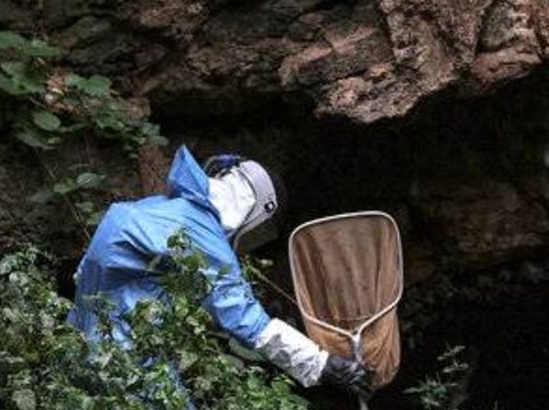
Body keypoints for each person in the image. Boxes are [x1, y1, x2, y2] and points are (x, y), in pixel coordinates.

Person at [70, 147, 371, 393]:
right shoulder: (204, 235)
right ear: (257, 212)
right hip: (125, 355)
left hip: (77, 341)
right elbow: (246, 322)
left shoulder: (158, 208)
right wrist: (321, 363)